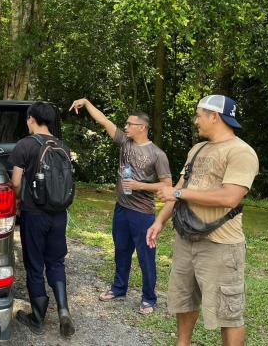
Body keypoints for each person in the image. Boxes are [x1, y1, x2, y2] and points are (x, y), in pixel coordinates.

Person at [146, 95, 258, 346]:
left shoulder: (241, 152)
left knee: (228, 313)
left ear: (214, 116)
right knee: (184, 300)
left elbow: (230, 197)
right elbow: (180, 187)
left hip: (220, 245)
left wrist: (178, 193)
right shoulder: (197, 149)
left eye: (199, 115)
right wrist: (159, 221)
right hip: (186, 240)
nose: (196, 120)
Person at [69, 98, 172, 314]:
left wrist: (139, 185)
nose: (125, 127)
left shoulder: (158, 155)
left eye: (129, 124)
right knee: (121, 252)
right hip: (122, 209)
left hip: (143, 214)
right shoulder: (125, 142)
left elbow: (167, 187)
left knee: (146, 258)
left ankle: (149, 298)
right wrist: (86, 103)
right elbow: (104, 121)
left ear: (142, 127)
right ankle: (119, 288)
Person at [9, 102, 74, 338]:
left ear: (31, 119)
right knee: (56, 262)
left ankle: (36, 318)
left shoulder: (25, 145)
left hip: (34, 215)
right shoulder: (62, 146)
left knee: (34, 264)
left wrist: (15, 202)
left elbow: (16, 183)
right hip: (59, 214)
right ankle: (63, 311)